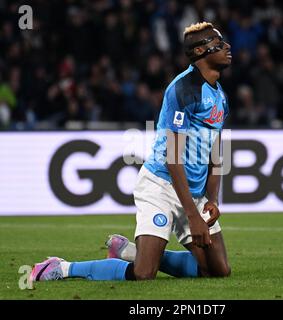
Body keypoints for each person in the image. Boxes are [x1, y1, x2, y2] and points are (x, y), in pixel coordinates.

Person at [30, 22, 232, 283]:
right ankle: (64, 267)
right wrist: (193, 216)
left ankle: (128, 251)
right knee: (144, 273)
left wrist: (211, 200)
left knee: (218, 270)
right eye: (219, 44)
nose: (227, 47)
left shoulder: (220, 96)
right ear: (200, 52)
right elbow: (173, 158)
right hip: (162, 185)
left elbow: (216, 150)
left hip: (194, 193)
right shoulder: (182, 90)